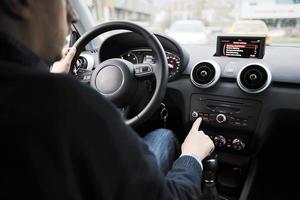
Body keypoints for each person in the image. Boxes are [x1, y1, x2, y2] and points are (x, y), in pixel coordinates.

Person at [0, 0, 215, 199]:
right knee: (164, 135)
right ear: (18, 2)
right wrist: (192, 156)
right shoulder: (67, 100)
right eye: (64, 1)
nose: (73, 16)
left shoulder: (35, 95)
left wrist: (55, 79)